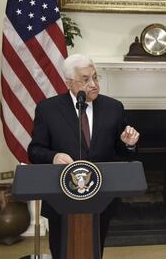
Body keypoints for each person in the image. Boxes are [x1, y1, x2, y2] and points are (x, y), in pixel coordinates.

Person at [28, 54, 140, 259]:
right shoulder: (48, 109)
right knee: (61, 250)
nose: (94, 84)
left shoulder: (113, 108)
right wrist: (54, 157)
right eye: (86, 79)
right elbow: (35, 151)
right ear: (69, 82)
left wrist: (128, 144)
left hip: (101, 197)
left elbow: (121, 153)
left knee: (95, 249)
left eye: (96, 78)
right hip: (60, 196)